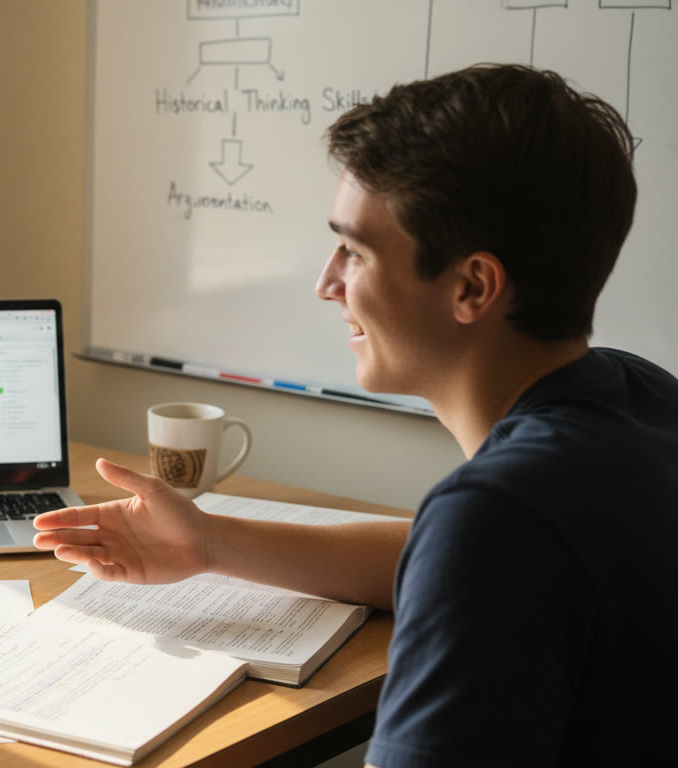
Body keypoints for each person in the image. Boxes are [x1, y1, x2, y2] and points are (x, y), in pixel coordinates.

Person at [34, 63, 678, 767]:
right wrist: (209, 543)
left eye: (355, 251)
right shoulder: (640, 399)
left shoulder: (499, 518)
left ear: (472, 286)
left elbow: (478, 544)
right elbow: (442, 554)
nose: (326, 283)